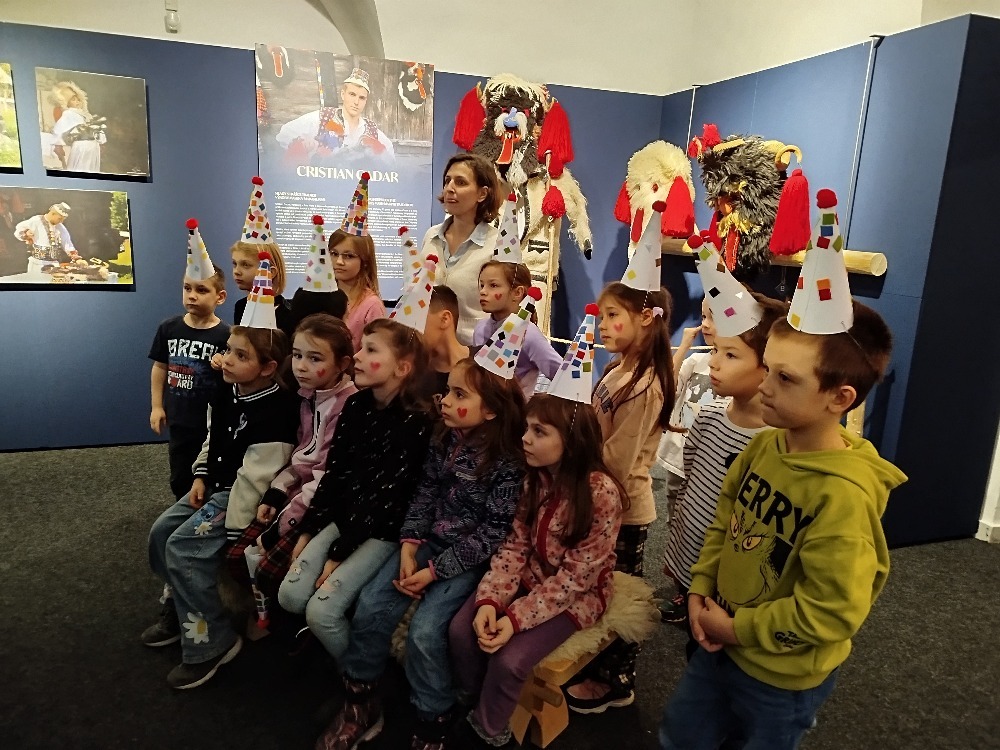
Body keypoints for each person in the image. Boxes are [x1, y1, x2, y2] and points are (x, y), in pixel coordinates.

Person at [659, 300, 906, 750]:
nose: (764, 386)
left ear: (840, 398)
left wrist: (737, 630)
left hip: (779, 678)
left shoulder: (843, 496)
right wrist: (700, 586)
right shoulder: (765, 445)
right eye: (768, 368)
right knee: (681, 735)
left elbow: (831, 610)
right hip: (718, 643)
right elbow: (724, 523)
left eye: (785, 378)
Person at [316, 356, 526, 750]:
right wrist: (410, 545)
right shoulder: (443, 437)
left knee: (426, 633)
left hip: (467, 559)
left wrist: (433, 571)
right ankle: (360, 701)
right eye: (448, 391)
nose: (445, 400)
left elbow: (491, 535)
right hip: (427, 541)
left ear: (492, 410)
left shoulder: (508, 463)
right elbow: (425, 493)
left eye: (459, 394)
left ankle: (434, 717)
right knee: (371, 605)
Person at [449, 361, 625, 748]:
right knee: (462, 631)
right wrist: (491, 600)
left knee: (510, 660)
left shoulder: (601, 494)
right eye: (527, 428)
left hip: (577, 596)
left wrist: (514, 619)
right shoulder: (534, 478)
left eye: (539, 432)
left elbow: (574, 580)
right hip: (531, 578)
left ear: (572, 440)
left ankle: (488, 729)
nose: (524, 439)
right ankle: (478, 699)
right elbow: (515, 546)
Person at [142, 325, 298, 689]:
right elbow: (213, 438)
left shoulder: (279, 410)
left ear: (267, 367)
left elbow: (256, 478)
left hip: (240, 497)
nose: (226, 360)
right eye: (228, 350)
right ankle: (181, 606)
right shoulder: (227, 390)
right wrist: (200, 475)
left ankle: (212, 642)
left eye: (241, 356)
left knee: (184, 548)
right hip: (214, 485)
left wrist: (235, 532)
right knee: (161, 533)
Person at [275, 318, 435, 664]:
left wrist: (338, 553)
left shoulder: (417, 421)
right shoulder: (356, 405)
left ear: (402, 368)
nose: (358, 356)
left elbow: (385, 499)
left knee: (322, 612)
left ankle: (360, 677)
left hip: (383, 530)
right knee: (290, 595)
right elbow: (335, 475)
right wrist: (309, 529)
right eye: (361, 347)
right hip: (346, 518)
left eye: (371, 350)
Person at [565, 281, 676, 713]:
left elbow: (618, 459)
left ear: (645, 318)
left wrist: (573, 465)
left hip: (623, 510)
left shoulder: (646, 385)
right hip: (597, 497)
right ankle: (594, 664)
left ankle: (617, 679)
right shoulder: (620, 369)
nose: (603, 324)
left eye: (613, 315)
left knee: (621, 595)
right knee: (598, 586)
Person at [662, 293, 787, 644]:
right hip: (690, 557)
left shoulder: (773, 442)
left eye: (730, 355)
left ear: (768, 366)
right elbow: (688, 488)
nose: (714, 363)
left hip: (732, 577)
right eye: (716, 350)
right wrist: (676, 553)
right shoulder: (708, 417)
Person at [223, 313, 357, 610]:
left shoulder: (346, 406)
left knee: (269, 568)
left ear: (342, 364)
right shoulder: (307, 396)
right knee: (236, 555)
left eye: (314, 358)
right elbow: (300, 456)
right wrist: (276, 492)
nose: (301, 366)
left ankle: (278, 622)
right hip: (297, 494)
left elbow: (323, 476)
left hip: (321, 504)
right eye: (297, 355)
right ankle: (263, 614)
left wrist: (280, 528)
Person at [655, 297, 719, 622]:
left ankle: (701, 590)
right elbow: (667, 385)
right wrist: (684, 346)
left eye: (714, 317)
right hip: (678, 460)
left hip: (708, 468)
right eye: (704, 316)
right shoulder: (697, 361)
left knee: (703, 525)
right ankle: (682, 585)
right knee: (676, 521)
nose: (705, 324)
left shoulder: (734, 371)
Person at [148, 264, 229, 499]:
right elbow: (160, 367)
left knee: (208, 471)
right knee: (180, 473)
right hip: (179, 417)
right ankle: (181, 506)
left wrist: (224, 363)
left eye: (201, 290)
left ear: (220, 297)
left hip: (210, 421)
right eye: (187, 288)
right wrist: (156, 406)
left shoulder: (226, 335)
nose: (192, 295)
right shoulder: (169, 328)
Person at [421, 153, 503, 345]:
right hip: (426, 348)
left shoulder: (497, 244)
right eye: (447, 181)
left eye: (460, 182)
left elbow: (505, 309)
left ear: (482, 194)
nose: (450, 188)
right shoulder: (431, 236)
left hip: (474, 352)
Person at [472, 261, 562, 399]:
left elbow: (564, 377)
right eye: (482, 285)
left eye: (493, 285)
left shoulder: (529, 335)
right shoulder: (480, 328)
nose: (483, 291)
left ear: (517, 292)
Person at [275, 68, 395, 165]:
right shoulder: (323, 118)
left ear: (366, 101)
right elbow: (285, 134)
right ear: (343, 94)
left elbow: (391, 161)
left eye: (361, 98)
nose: (356, 102)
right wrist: (304, 146)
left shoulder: (372, 130)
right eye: (352, 94)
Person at [419, 284, 473, 400]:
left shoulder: (483, 363)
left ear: (445, 319)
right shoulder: (413, 374)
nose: (409, 329)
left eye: (416, 319)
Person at [50, 81, 106, 172]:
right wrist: (58, 146)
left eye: (78, 99)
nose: (77, 102)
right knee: (80, 168)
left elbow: (95, 128)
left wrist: (101, 142)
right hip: (81, 146)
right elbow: (59, 129)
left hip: (93, 146)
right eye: (73, 100)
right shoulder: (68, 114)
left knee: (92, 169)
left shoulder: (85, 115)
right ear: (67, 102)